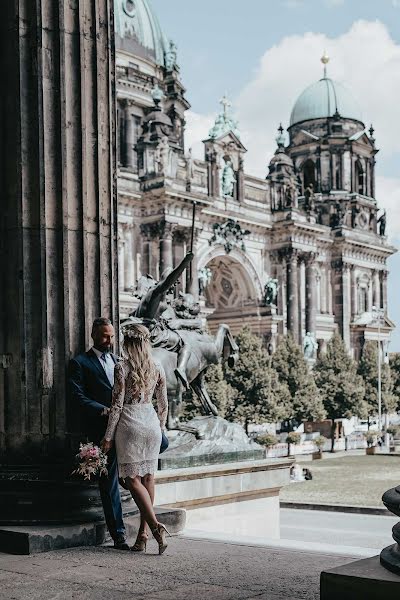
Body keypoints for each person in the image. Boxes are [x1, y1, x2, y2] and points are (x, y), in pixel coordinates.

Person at [101, 322, 169, 555]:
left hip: (129, 424)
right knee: (148, 478)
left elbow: (117, 405)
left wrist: (108, 437)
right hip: (151, 424)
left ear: (128, 343)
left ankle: (155, 527)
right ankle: (143, 536)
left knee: (131, 480)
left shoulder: (122, 367)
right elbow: (163, 403)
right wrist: (160, 428)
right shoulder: (157, 365)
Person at [68, 318, 128, 550]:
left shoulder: (119, 361)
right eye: (105, 336)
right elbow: (77, 396)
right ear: (93, 335)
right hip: (101, 430)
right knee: (109, 483)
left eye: (112, 336)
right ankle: (119, 535)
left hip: (125, 427)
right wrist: (102, 409)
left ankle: (146, 528)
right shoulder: (80, 363)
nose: (110, 341)